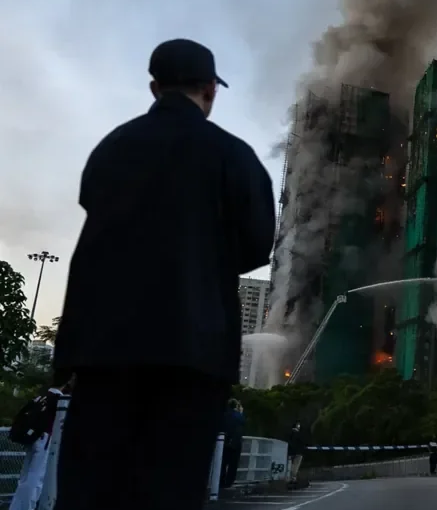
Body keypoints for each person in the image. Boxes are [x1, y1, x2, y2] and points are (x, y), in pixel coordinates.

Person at [53, 38, 276, 510]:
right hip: (192, 354)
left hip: (101, 351)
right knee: (170, 488)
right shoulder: (234, 157)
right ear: (211, 90)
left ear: (155, 87)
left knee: (90, 487)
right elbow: (258, 244)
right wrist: (201, 264)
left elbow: (95, 211)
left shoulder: (112, 149)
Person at [10, 377, 73, 510]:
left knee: (25, 476)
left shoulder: (40, 398)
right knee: (36, 478)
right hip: (45, 439)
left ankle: (16, 507)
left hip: (32, 439)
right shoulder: (59, 400)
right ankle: (28, 507)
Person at [221, 399, 246, 489]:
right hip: (235, 442)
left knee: (222, 463)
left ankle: (221, 481)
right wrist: (241, 411)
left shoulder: (225, 414)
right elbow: (242, 421)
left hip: (224, 441)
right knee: (233, 464)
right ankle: (228, 482)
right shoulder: (237, 416)